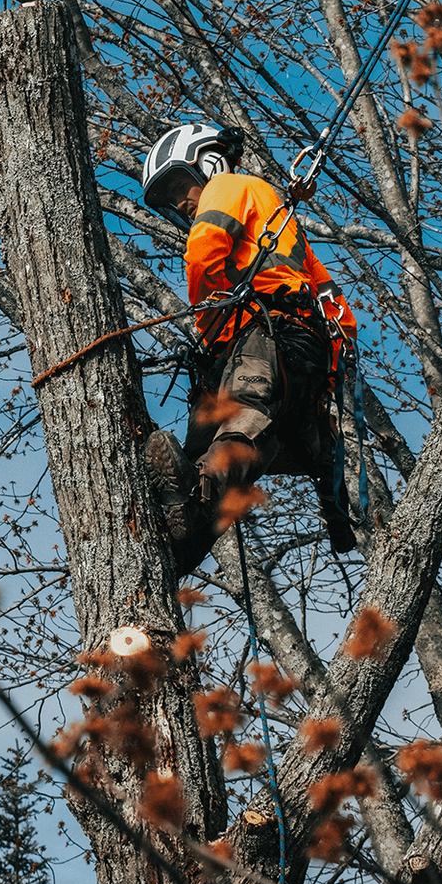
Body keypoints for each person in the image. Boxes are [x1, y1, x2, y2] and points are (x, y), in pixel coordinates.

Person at [139, 123, 360, 569]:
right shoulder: (279, 227)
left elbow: (204, 252)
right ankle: (186, 537)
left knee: (243, 418)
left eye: (183, 185)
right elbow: (337, 311)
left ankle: (193, 504)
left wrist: (211, 321)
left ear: (208, 162)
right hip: (296, 357)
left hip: (265, 334)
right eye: (172, 199)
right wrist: (329, 383)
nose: (183, 202)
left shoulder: (230, 185)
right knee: (228, 449)